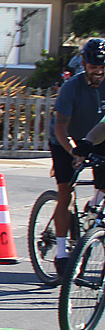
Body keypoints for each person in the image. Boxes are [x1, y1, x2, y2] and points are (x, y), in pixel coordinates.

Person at [48, 38, 105, 276]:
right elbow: (61, 127)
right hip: (65, 140)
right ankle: (61, 253)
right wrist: (74, 152)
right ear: (84, 64)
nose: (99, 72)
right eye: (93, 67)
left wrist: (88, 144)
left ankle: (93, 208)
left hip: (96, 137)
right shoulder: (72, 87)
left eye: (103, 67)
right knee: (65, 194)